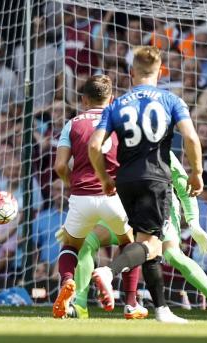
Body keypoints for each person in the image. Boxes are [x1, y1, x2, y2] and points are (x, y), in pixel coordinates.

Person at [88, 46, 203, 323]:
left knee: (145, 239)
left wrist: (104, 178)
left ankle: (162, 309)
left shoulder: (117, 104)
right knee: (152, 245)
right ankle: (108, 271)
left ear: (131, 73)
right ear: (161, 71)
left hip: (125, 181)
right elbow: (190, 138)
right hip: (155, 179)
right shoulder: (171, 100)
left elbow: (95, 144)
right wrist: (196, 172)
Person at [70, 151, 207, 320]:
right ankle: (81, 304)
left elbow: (183, 187)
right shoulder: (116, 146)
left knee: (172, 255)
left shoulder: (162, 151)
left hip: (160, 208)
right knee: (89, 241)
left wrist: (193, 221)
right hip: (125, 207)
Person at [51, 75, 139, 319]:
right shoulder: (120, 122)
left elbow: (59, 166)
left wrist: (72, 184)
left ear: (84, 99)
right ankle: (131, 302)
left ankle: (67, 282)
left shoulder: (73, 124)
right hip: (114, 197)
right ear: (111, 99)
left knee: (70, 245)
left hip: (81, 198)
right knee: (129, 244)